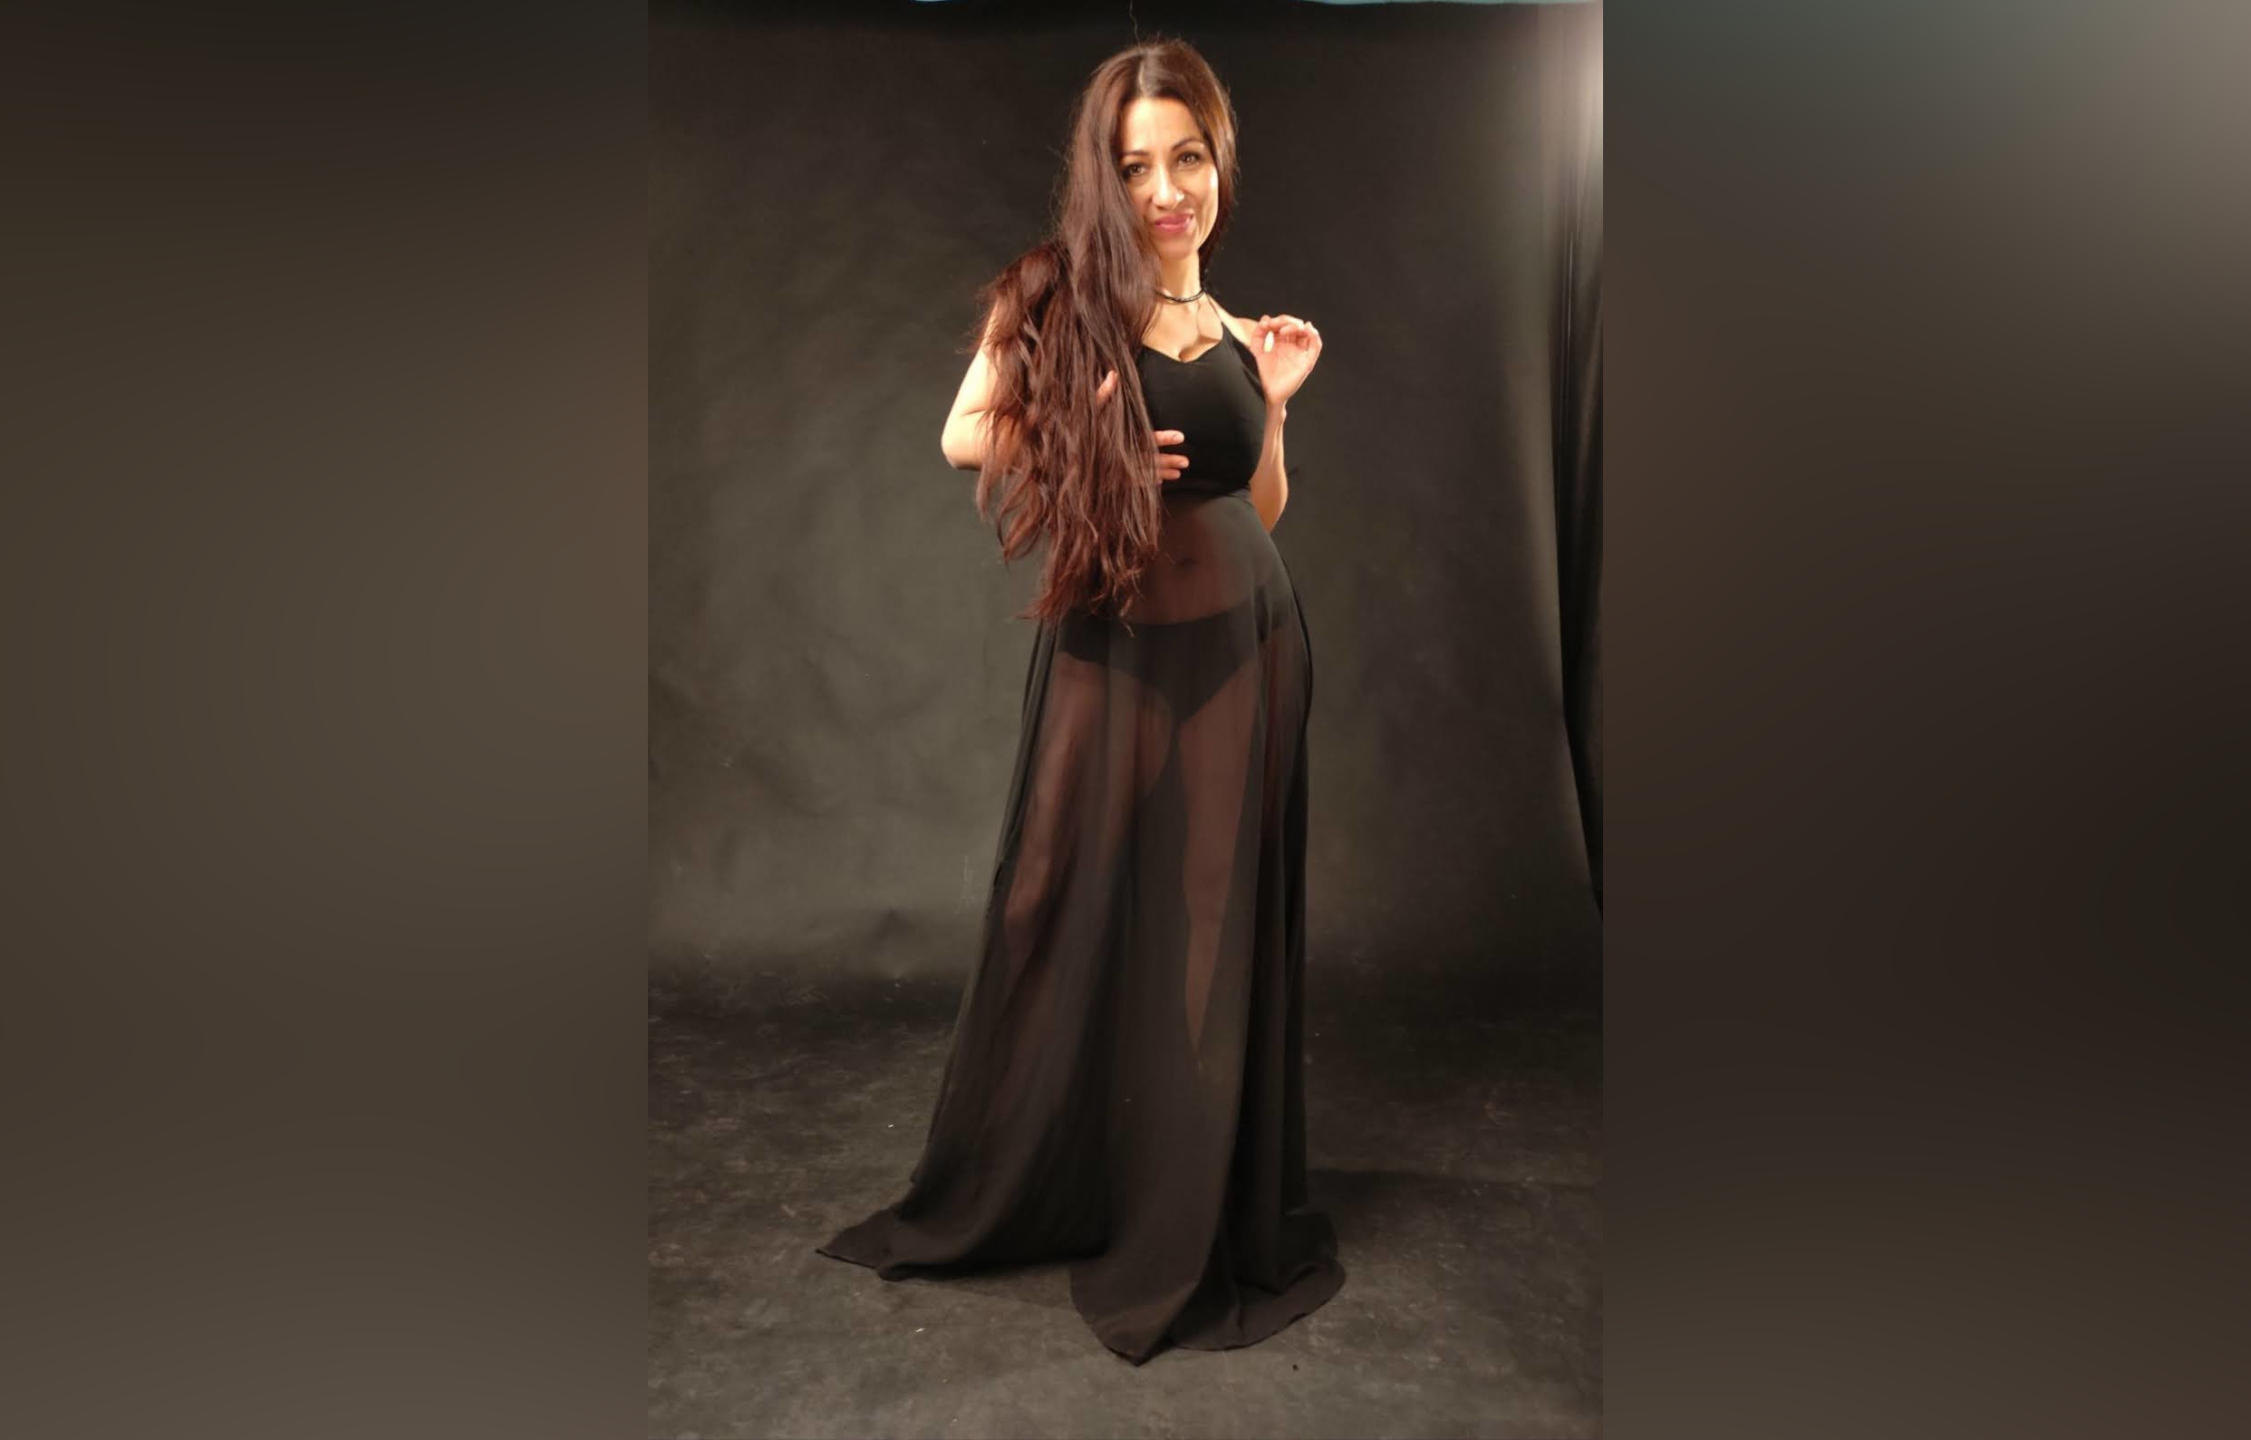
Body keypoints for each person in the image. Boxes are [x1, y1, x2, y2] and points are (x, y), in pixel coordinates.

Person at [816, 35, 1343, 1366]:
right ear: (1104, 176)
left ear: (1220, 162)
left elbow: (1255, 507)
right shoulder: (1059, 293)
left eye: (1188, 158)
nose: (1167, 190)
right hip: (1117, 641)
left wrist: (1274, 407)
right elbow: (962, 433)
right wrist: (1078, 434)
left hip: (1250, 645)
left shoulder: (1235, 331)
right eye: (1137, 165)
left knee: (1207, 929)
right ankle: (1056, 1170)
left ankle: (1188, 1197)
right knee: (1062, 895)